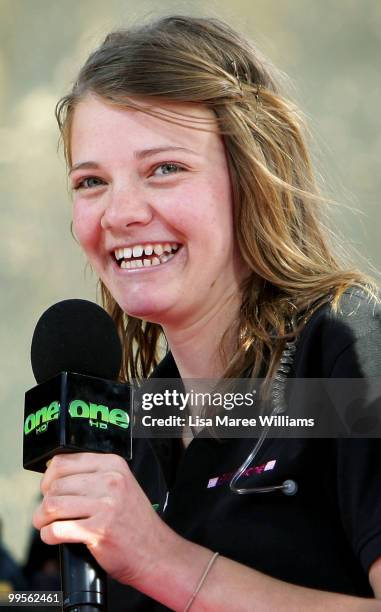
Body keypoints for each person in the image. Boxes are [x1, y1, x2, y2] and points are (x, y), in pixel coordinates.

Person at [32, 15, 381, 610]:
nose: (120, 213)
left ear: (251, 178)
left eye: (164, 169)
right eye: (91, 181)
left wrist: (162, 562)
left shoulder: (342, 346)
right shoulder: (130, 428)